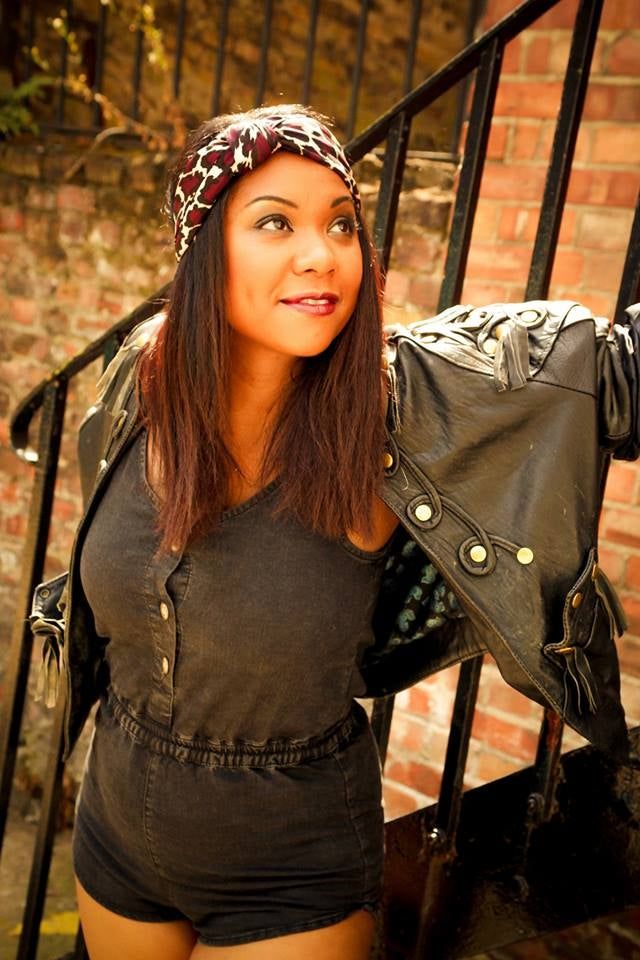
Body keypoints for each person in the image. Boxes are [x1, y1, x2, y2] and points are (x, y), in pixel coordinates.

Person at [30, 103, 635, 960]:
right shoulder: (143, 372)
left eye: (342, 224)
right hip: (115, 838)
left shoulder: (393, 406)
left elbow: (615, 374)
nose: (322, 253)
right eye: (275, 222)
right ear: (204, 250)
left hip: (289, 875)